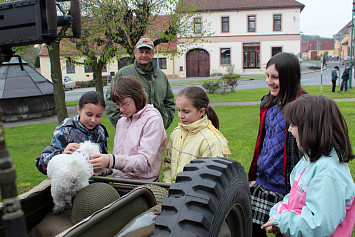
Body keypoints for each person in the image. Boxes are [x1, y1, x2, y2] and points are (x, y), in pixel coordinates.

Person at [261, 95, 355, 236]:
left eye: (293, 125)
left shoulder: (328, 173)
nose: (289, 130)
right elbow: (293, 197)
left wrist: (282, 222)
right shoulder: (308, 160)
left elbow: (318, 225)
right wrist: (277, 215)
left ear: (310, 129)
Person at [248, 52, 307, 237]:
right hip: (264, 183)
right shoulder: (267, 102)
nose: (269, 81)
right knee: (252, 230)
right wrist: (258, 175)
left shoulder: (303, 106)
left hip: (289, 188)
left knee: (286, 233)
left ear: (290, 77)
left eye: (275, 77)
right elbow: (263, 140)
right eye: (267, 75)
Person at [89, 76, 167, 182]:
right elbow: (119, 162)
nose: (121, 109)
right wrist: (103, 170)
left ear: (137, 97)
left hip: (142, 187)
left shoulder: (153, 120)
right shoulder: (122, 121)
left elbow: (144, 163)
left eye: (124, 104)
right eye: (118, 105)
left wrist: (110, 160)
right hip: (120, 183)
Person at [162, 86, 231, 183]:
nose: (181, 116)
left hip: (195, 197)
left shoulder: (210, 141)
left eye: (186, 111)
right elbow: (168, 164)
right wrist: (169, 186)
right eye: (179, 110)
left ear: (201, 111)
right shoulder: (176, 133)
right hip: (173, 194)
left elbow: (212, 179)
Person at [105, 37, 175, 129]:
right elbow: (111, 102)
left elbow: (169, 102)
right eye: (141, 52)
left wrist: (166, 120)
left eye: (147, 52)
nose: (144, 55)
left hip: (157, 129)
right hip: (131, 130)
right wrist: (124, 124)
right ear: (135, 53)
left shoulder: (161, 76)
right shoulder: (123, 74)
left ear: (153, 54)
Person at [36, 91, 108, 175]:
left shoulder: (100, 131)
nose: (93, 120)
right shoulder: (65, 130)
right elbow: (40, 163)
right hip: (71, 183)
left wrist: (101, 169)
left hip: (98, 182)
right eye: (89, 114)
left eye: (98, 116)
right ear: (79, 110)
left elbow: (104, 159)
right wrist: (62, 154)